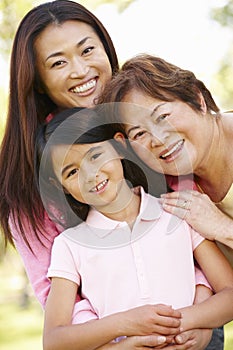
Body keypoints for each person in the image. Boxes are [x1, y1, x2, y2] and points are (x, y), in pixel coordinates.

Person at [0, 0, 219, 347]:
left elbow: (190, 227)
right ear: (38, 81)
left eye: (87, 50)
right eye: (58, 62)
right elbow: (57, 302)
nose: (80, 69)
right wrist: (121, 339)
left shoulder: (140, 118)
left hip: (192, 320)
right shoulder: (31, 182)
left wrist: (203, 313)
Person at [35, 106, 233, 350]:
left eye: (95, 156)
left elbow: (229, 292)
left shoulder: (177, 212)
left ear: (119, 146)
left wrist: (186, 323)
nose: (90, 175)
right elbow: (54, 341)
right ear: (62, 186)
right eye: (72, 172)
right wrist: (126, 324)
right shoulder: (70, 245)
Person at [98, 52, 233, 349]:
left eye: (162, 116)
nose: (157, 138)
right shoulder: (172, 189)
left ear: (197, 99)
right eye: (139, 133)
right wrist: (200, 321)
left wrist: (223, 228)